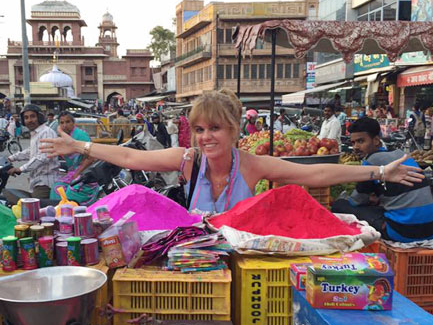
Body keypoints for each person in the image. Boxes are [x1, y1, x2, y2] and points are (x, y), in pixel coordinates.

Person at [40, 90, 422, 215]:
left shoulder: (252, 165)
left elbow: (317, 175)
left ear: (236, 130)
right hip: (196, 265)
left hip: (242, 264)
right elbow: (131, 159)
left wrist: (378, 173)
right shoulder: (186, 160)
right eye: (201, 129)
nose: (206, 138)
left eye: (215, 129)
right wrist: (79, 145)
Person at [332, 117, 433, 242]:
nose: (356, 147)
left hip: (403, 233)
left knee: (340, 205)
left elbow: (356, 201)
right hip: (429, 229)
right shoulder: (402, 155)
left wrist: (365, 199)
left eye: (361, 141)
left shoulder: (371, 162)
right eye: (353, 143)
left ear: (375, 140)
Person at [7, 104, 59, 199]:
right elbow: (31, 151)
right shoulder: (36, 133)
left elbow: (43, 157)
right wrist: (12, 158)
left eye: (32, 116)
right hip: (36, 181)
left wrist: (20, 169)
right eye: (26, 118)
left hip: (45, 183)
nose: (29, 120)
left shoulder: (46, 132)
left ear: (39, 117)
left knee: (34, 210)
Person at [51, 111, 99, 204]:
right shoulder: (65, 137)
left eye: (68, 122)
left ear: (73, 123)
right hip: (73, 172)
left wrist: (77, 173)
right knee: (57, 188)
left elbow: (91, 157)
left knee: (69, 193)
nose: (65, 125)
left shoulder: (80, 135)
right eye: (62, 123)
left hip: (85, 173)